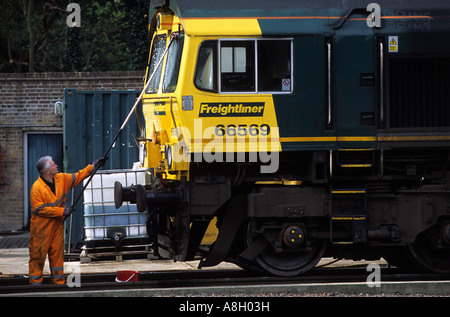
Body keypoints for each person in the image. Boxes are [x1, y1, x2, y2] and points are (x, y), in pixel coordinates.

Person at [28, 155, 106, 285]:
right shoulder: (37, 188)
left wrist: (93, 166)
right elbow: (40, 209)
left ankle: (58, 283)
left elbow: (79, 176)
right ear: (47, 172)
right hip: (41, 230)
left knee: (57, 257)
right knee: (38, 257)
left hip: (57, 227)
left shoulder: (61, 179)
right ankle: (35, 286)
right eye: (53, 165)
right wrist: (62, 211)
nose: (56, 165)